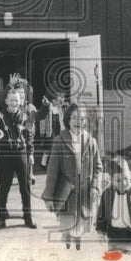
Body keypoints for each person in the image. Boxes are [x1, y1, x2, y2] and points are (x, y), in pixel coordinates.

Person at [40, 103, 102, 250]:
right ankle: (66, 244)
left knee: (81, 226)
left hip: (85, 193)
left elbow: (98, 168)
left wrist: (95, 187)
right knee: (67, 228)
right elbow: (52, 171)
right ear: (68, 119)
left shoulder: (91, 141)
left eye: (81, 118)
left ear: (85, 121)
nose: (78, 121)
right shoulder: (59, 141)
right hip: (66, 193)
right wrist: (49, 197)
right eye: (75, 118)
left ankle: (77, 246)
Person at [0, 89, 37, 230]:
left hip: (21, 154)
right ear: (6, 101)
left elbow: (29, 136)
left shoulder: (25, 116)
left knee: (25, 187)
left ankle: (28, 217)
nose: (14, 103)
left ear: (20, 101)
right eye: (11, 100)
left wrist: (30, 153)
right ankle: (1, 218)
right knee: (3, 187)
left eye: (17, 100)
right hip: (6, 154)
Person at [33, 92, 65, 170]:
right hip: (50, 130)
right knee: (49, 148)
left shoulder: (59, 108)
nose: (58, 102)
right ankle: (44, 163)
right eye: (57, 100)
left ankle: (48, 164)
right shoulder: (48, 107)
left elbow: (61, 119)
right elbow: (42, 114)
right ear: (53, 100)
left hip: (58, 129)